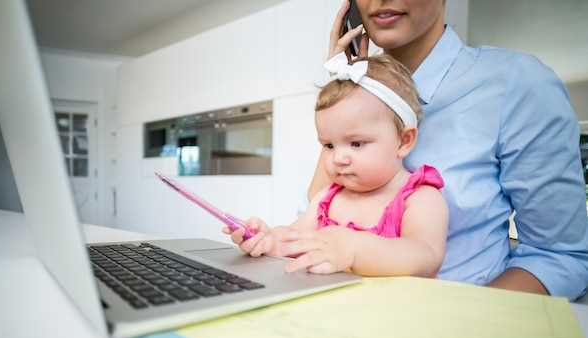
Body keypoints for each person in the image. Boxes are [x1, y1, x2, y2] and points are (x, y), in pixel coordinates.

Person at [302, 0, 588, 299]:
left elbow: (559, 257)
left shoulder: (517, 84)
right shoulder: (357, 88)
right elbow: (321, 206)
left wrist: (461, 325)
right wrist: (344, 97)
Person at [225, 52, 448, 277]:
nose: (338, 158)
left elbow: (426, 257)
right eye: (329, 145)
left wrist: (355, 250)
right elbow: (295, 239)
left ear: (404, 140)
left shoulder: (419, 197)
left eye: (357, 143)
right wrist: (268, 240)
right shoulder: (327, 198)